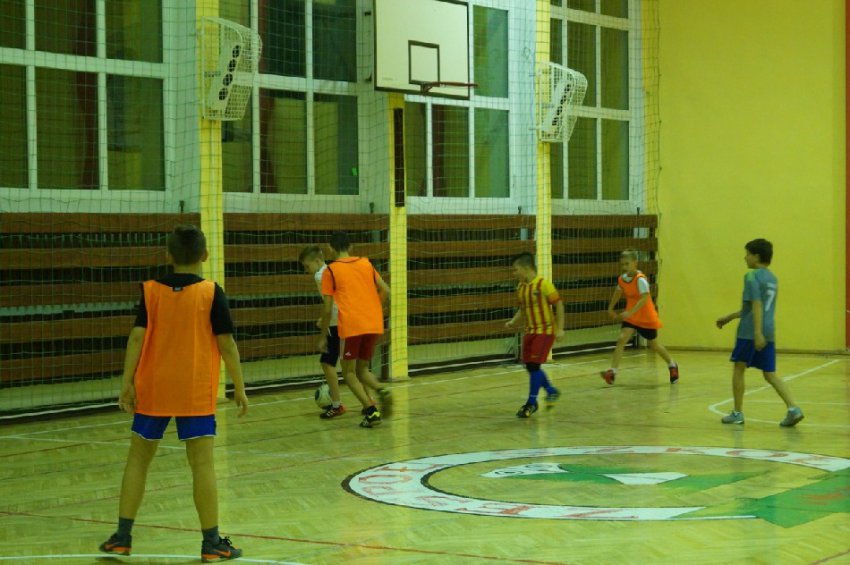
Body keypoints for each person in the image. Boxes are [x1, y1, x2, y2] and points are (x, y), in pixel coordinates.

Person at [99, 225, 248, 563]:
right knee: (202, 465)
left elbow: (136, 338)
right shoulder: (211, 292)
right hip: (194, 390)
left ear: (168, 256)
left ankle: (122, 537)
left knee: (138, 460)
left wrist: (126, 382)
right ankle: (212, 543)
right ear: (205, 255)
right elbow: (227, 343)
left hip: (153, 388)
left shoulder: (150, 290)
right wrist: (238, 386)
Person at [716, 238, 803, 427]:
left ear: (756, 256)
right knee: (770, 374)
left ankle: (737, 413)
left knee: (739, 368)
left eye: (747, 254)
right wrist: (729, 317)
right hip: (769, 330)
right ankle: (793, 408)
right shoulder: (772, 278)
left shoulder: (751, 276)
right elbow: (751, 309)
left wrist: (757, 333)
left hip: (750, 332)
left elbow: (757, 305)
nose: (745, 257)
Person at [318, 232, 392, 428]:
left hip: (351, 326)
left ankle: (371, 411)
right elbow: (386, 290)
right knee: (362, 369)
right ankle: (382, 390)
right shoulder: (366, 263)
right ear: (350, 247)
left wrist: (323, 335)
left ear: (330, 248)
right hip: (373, 323)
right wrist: (372, 308)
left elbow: (327, 309)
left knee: (349, 373)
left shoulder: (330, 271)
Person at [299, 245, 372, 419]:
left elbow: (330, 304)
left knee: (330, 363)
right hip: (349, 320)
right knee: (356, 367)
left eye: (307, 266)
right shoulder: (333, 270)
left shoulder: (320, 275)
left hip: (337, 325)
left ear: (318, 261)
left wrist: (325, 324)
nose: (307, 271)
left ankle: (338, 405)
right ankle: (369, 400)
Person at [600, 250, 678, 385]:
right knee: (622, 339)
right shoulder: (622, 279)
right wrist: (610, 308)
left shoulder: (640, 279)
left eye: (627, 264)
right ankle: (612, 372)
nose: (624, 267)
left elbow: (644, 299)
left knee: (654, 345)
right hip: (631, 316)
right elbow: (618, 292)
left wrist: (629, 312)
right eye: (622, 264)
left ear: (635, 263)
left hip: (645, 316)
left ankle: (672, 364)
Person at [505, 252, 564, 418]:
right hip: (530, 331)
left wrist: (560, 329)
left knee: (534, 366)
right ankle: (551, 391)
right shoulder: (520, 287)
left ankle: (531, 402)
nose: (514, 273)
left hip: (545, 331)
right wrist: (513, 322)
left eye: (515, 269)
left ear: (526, 268)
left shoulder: (544, 285)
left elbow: (559, 305)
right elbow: (522, 309)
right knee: (530, 366)